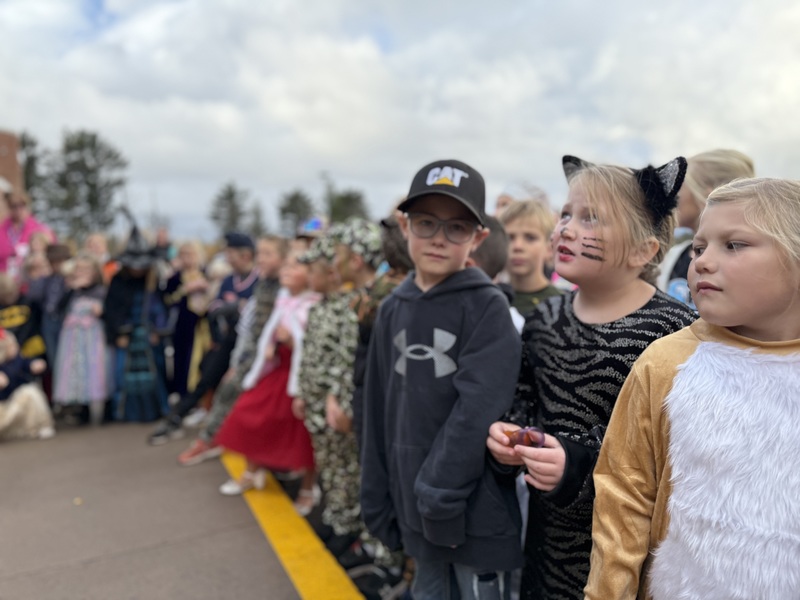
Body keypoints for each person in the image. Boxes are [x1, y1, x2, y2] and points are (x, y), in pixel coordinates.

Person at [486, 155, 698, 600]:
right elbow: (527, 399)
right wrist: (512, 436)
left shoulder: (673, 331)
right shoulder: (547, 317)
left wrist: (577, 465)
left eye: (592, 218)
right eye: (567, 214)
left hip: (622, 553)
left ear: (643, 250)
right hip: (545, 546)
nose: (566, 228)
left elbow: (668, 450)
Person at [585, 177, 800, 599]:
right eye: (699, 247)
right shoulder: (665, 362)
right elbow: (622, 497)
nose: (701, 261)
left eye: (733, 245)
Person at [361, 159, 523, 600]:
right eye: (426, 223)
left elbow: (476, 412)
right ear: (404, 225)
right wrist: (376, 495)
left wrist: (437, 496)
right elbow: (377, 407)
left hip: (471, 514)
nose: (438, 238)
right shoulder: (393, 307)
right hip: (413, 512)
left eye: (456, 227)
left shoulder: (486, 308)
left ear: (479, 237)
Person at [295, 221, 381, 557]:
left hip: (348, 409)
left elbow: (348, 365)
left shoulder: (361, 303)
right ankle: (339, 519)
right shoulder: (337, 304)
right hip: (326, 404)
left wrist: (340, 401)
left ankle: (359, 534)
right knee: (332, 467)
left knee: (350, 470)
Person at [216, 251, 320, 509]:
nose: (285, 269)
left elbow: (315, 346)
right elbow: (270, 332)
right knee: (250, 412)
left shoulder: (314, 304)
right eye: (285, 264)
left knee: (301, 433)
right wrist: (273, 343)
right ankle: (252, 470)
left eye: (294, 265)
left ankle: (308, 486)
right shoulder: (283, 299)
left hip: (300, 375)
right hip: (277, 369)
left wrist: (290, 341)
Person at [175, 236, 285, 462]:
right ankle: (211, 439)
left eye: (267, 254)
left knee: (256, 406)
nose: (260, 258)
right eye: (260, 253)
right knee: (223, 388)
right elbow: (225, 313)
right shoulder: (255, 283)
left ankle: (261, 460)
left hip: (272, 356)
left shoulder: (282, 286)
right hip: (241, 346)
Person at [146, 232, 260, 443]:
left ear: (245, 255)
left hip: (253, 345)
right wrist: (235, 306)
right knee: (206, 377)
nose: (226, 257)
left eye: (231, 252)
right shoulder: (228, 280)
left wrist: (232, 307)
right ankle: (177, 418)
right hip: (229, 339)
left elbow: (253, 311)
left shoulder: (259, 280)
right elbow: (215, 308)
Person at [657, 149, 754, 306]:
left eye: (679, 187)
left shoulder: (746, 256)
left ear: (707, 196)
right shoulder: (674, 256)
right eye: (699, 250)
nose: (671, 196)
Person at [103, 225, 169, 422]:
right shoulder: (118, 281)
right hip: (127, 334)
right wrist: (117, 333)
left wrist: (158, 330)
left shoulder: (153, 279)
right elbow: (111, 310)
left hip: (148, 334)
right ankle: (124, 412)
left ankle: (157, 410)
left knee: (155, 371)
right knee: (122, 373)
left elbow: (160, 308)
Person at [52, 253, 109, 426]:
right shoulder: (71, 291)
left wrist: (99, 310)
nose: (82, 273)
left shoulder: (101, 290)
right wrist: (70, 289)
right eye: (79, 269)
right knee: (76, 370)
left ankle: (105, 408)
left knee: (95, 368)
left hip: (92, 336)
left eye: (86, 269)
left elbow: (107, 312)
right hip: (73, 337)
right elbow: (56, 308)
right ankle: (81, 409)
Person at [499, 200, 562, 317]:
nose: (518, 246)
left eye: (530, 238)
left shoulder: (562, 306)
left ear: (549, 248)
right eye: (510, 237)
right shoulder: (489, 299)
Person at [0, 329, 54, 441]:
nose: (14, 348)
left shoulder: (20, 360)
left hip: (16, 403)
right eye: (10, 346)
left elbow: (30, 365)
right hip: (3, 408)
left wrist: (36, 365)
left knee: (30, 392)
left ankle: (42, 425)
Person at [0, 188, 55, 283]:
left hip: (32, 283)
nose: (18, 209)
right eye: (14, 206)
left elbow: (52, 253)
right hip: (5, 284)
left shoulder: (40, 229)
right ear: (8, 207)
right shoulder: (2, 229)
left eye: (22, 205)